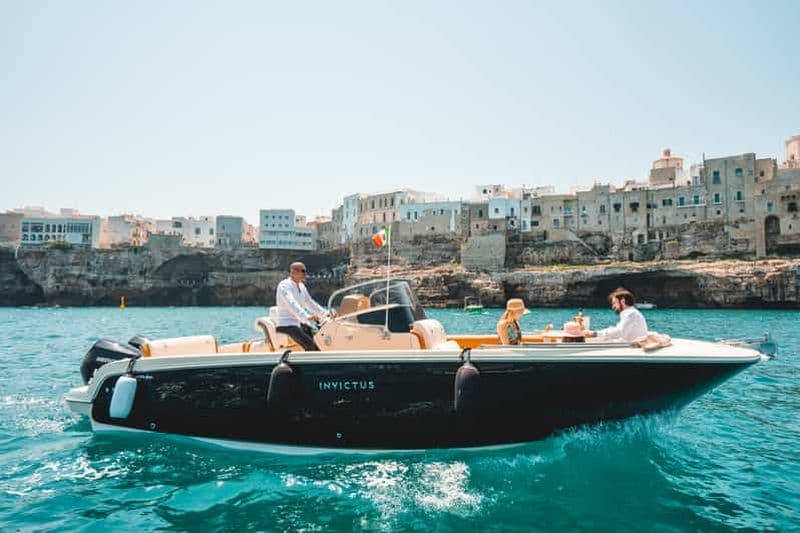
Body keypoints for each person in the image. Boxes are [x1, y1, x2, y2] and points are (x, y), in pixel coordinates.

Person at [275, 262, 331, 351]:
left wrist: (326, 314)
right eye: (303, 271)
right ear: (293, 272)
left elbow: (309, 303)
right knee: (310, 345)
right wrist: (306, 316)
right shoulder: (284, 285)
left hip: (299, 324)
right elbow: (291, 303)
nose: (305, 273)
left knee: (319, 342)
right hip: (286, 325)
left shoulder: (301, 286)